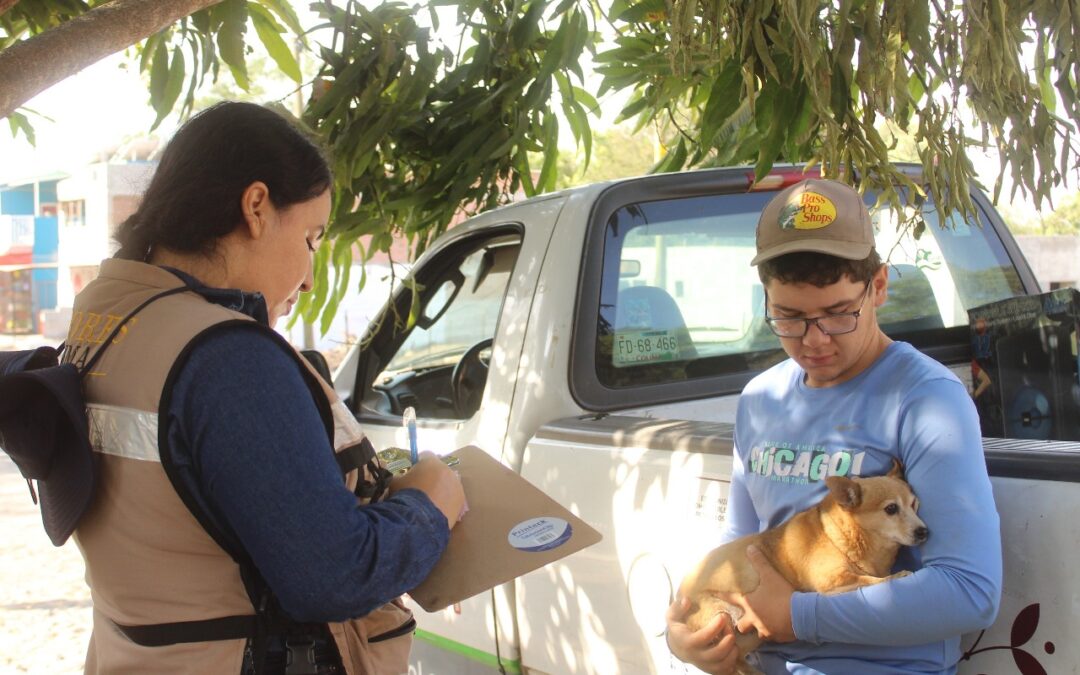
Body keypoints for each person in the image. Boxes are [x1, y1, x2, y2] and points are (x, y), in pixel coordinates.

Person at [63, 101, 466, 674]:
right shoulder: (227, 359)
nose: (307, 278)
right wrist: (431, 504)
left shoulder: (107, 322)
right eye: (309, 237)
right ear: (256, 207)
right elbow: (335, 575)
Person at [665, 178, 1002, 674]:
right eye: (788, 316)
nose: (814, 339)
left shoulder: (925, 399)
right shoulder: (760, 399)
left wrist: (799, 616)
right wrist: (688, 641)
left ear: (879, 287)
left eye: (839, 314)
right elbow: (742, 555)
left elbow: (969, 591)